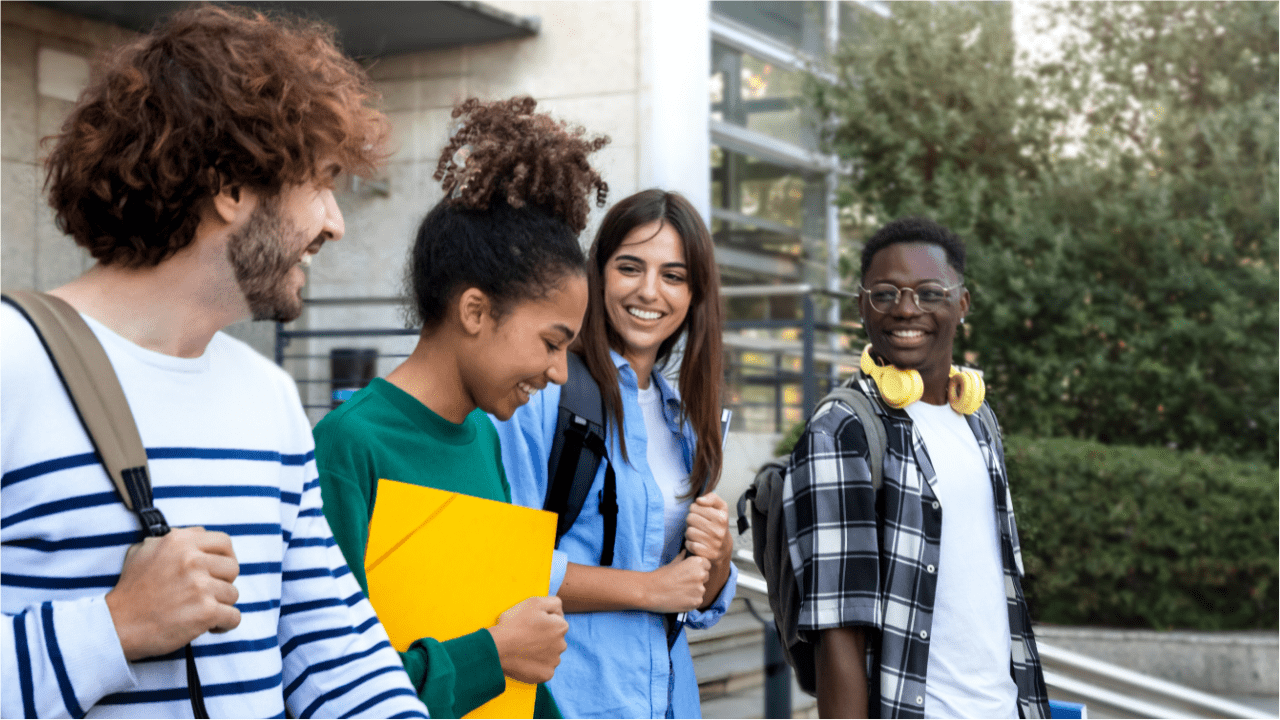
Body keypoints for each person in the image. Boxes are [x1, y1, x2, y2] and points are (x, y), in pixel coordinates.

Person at [0, 6, 430, 717]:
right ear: (231, 188)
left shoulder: (267, 396)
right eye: (321, 183)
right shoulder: (12, 361)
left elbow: (328, 643)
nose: (335, 221)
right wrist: (112, 627)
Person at [312, 96, 609, 719]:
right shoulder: (348, 446)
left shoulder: (482, 438)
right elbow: (330, 683)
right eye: (551, 343)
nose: (558, 373)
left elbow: (516, 652)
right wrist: (492, 657)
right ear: (475, 311)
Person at [783, 216, 1050, 718]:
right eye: (885, 294)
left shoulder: (977, 419)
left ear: (961, 304)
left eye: (929, 293)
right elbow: (838, 625)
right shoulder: (844, 429)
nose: (907, 309)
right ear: (863, 306)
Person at [493, 189, 738, 718]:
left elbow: (696, 597)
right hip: (572, 697)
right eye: (630, 267)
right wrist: (649, 590)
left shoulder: (684, 419)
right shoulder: (547, 393)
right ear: (598, 273)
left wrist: (717, 557)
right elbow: (506, 564)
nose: (650, 291)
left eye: (673, 276)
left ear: (695, 294)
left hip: (668, 701)